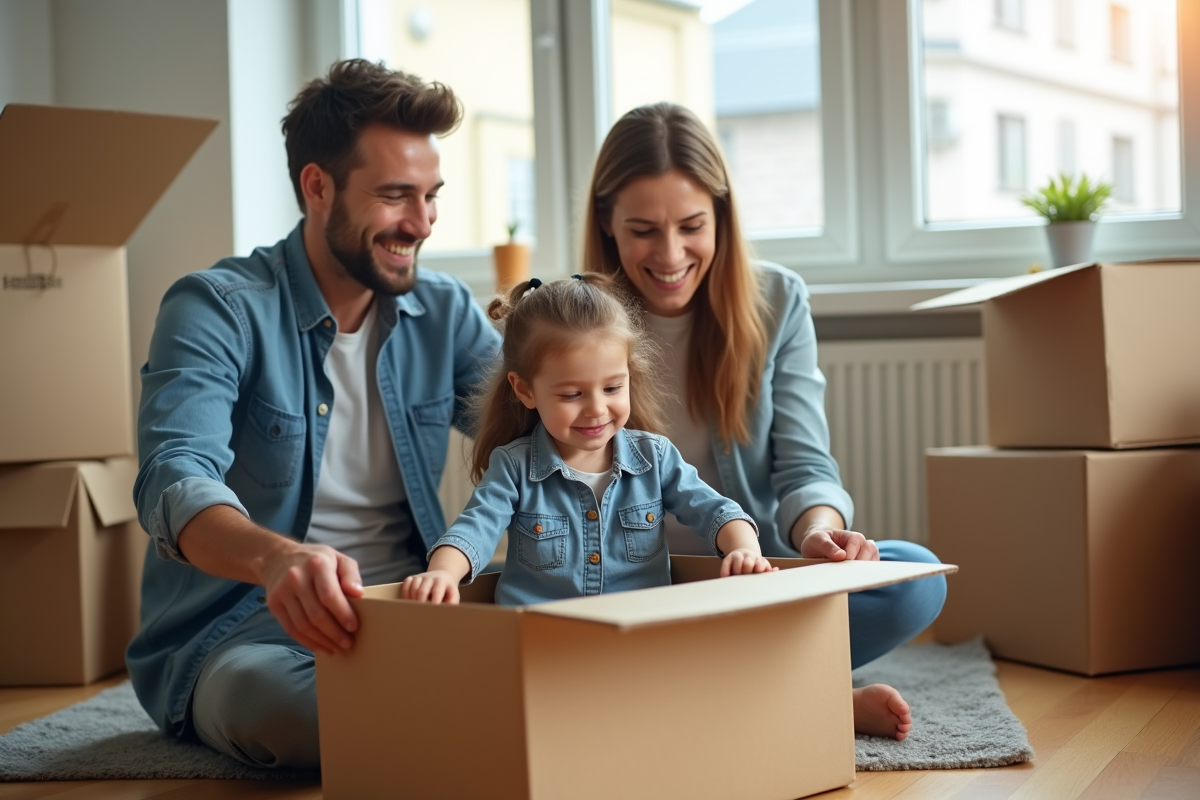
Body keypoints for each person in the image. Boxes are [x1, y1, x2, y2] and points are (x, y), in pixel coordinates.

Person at [127, 60, 500, 769]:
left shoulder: (443, 311)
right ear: (317, 187)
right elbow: (175, 479)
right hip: (248, 628)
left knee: (573, 640)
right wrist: (277, 559)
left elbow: (534, 433)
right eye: (396, 196)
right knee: (303, 716)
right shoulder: (216, 307)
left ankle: (438, 707)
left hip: (418, 609)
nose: (421, 223)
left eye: (431, 196)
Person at [582, 102, 948, 741]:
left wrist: (819, 535)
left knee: (912, 575)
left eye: (692, 225)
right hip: (627, 591)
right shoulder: (572, 319)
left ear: (722, 218)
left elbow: (805, 466)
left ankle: (706, 689)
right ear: (607, 222)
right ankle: (808, 695)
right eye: (642, 230)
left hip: (749, 584)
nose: (670, 254)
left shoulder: (778, 300)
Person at [401, 274, 774, 606]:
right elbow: (474, 529)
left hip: (638, 638)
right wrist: (443, 574)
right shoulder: (514, 467)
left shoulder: (655, 457)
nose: (597, 409)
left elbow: (714, 510)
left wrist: (744, 550)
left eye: (612, 387)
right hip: (543, 639)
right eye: (571, 395)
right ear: (526, 390)